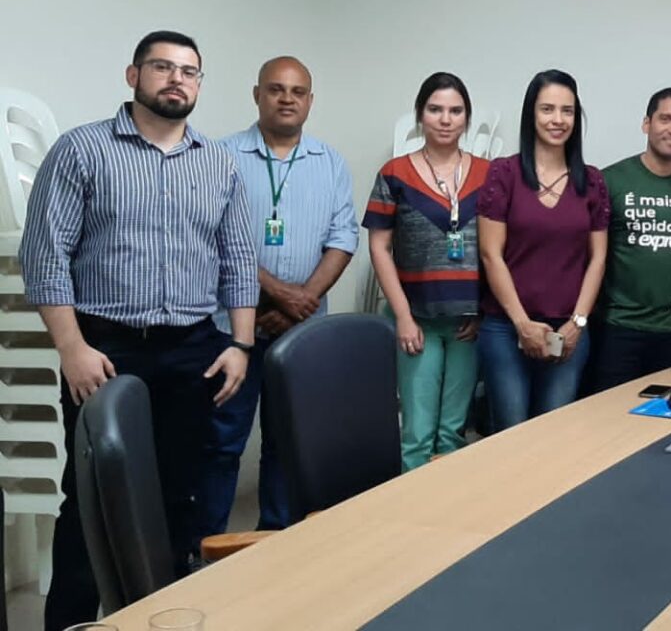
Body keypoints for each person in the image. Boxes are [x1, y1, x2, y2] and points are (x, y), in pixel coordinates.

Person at [20, 31, 259, 629]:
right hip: (105, 350)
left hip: (194, 351)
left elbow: (237, 258)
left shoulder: (217, 162)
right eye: (162, 67)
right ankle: (72, 621)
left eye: (189, 71)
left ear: (199, 84)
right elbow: (44, 256)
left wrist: (240, 344)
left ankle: (162, 617)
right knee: (92, 500)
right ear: (133, 76)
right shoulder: (82, 150)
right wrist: (71, 348)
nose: (177, 79)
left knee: (181, 496)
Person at [195, 56, 357, 540]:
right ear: (257, 95)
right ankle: (206, 546)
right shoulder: (220, 156)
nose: (287, 99)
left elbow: (343, 237)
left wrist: (301, 302)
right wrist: (281, 295)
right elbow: (212, 237)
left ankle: (276, 540)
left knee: (289, 443)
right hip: (231, 330)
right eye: (276, 89)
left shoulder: (330, 162)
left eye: (298, 91)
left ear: (310, 100)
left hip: (302, 333)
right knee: (221, 443)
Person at [364, 72, 489, 471]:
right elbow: (379, 247)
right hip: (415, 320)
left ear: (466, 117)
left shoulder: (490, 175)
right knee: (417, 432)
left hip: (469, 323)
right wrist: (402, 316)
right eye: (435, 109)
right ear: (420, 114)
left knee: (454, 432)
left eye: (456, 111)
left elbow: (500, 250)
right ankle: (411, 505)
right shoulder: (394, 173)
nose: (446, 119)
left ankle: (449, 505)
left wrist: (484, 309)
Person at [477, 70, 609, 430]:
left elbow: (598, 259)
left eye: (567, 111)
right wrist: (522, 324)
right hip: (506, 330)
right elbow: (491, 255)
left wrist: (577, 323)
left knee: (555, 435)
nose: (557, 119)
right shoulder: (503, 174)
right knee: (511, 433)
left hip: (568, 332)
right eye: (547, 109)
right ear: (531, 114)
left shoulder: (592, 181)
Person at [584, 87, 671, 395]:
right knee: (606, 412)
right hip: (615, 325)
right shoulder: (610, 181)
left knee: (660, 413)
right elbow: (588, 255)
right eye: (666, 119)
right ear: (646, 124)